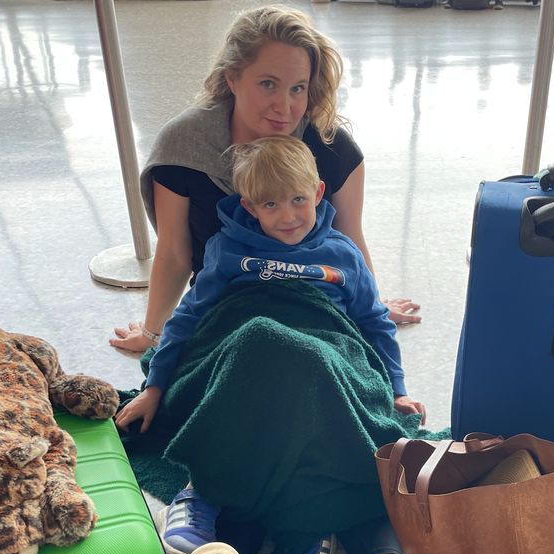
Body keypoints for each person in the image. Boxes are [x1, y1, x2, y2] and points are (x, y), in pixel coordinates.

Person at [115, 135, 483, 554]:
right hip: (244, 344)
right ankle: (290, 540)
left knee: (338, 408)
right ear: (248, 206)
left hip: (324, 348)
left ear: (317, 192)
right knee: (264, 348)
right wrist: (156, 385)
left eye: (297, 201)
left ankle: (250, 545)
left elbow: (372, 324)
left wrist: (396, 385)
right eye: (268, 205)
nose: (286, 217)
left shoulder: (341, 256)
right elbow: (191, 320)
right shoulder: (228, 250)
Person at [110, 5, 419, 357]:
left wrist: (372, 306)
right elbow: (174, 253)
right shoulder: (184, 147)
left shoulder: (332, 147)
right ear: (232, 78)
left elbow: (350, 238)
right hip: (226, 312)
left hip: (319, 310)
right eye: (268, 84)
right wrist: (153, 333)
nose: (285, 107)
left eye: (297, 88)